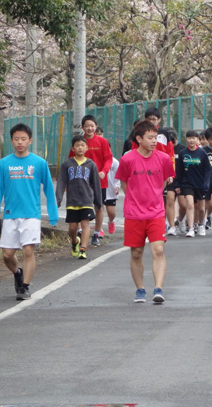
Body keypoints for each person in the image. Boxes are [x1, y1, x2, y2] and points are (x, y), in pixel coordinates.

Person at [0, 123, 58, 300]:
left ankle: (25, 287)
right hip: (11, 214)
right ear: (11, 141)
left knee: (28, 251)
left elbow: (49, 190)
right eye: (16, 139)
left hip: (31, 215)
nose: (20, 142)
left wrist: (53, 215)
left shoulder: (39, 163)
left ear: (30, 141)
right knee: (7, 255)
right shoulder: (4, 164)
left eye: (23, 139)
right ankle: (17, 272)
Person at [115, 120, 175, 303]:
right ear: (139, 139)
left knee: (158, 250)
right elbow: (123, 182)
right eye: (150, 138)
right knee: (136, 253)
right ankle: (140, 289)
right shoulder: (127, 159)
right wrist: (134, 198)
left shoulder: (164, 159)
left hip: (156, 212)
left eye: (156, 138)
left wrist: (155, 196)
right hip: (134, 214)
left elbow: (165, 181)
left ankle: (158, 288)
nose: (154, 141)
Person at [55, 135, 103, 260]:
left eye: (82, 145)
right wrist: (58, 199)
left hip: (87, 200)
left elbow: (96, 183)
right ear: (73, 148)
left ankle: (83, 249)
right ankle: (74, 241)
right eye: (77, 145)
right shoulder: (67, 164)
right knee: (73, 227)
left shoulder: (91, 164)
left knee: (85, 224)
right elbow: (61, 182)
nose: (80, 148)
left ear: (87, 147)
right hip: (72, 200)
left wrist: (98, 201)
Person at [69, 115, 113, 246]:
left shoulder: (102, 142)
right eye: (87, 126)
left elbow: (108, 159)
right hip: (81, 182)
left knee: (99, 207)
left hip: (100, 181)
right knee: (79, 206)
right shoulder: (78, 142)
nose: (89, 128)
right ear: (82, 127)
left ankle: (96, 233)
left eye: (92, 126)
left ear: (96, 126)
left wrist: (103, 172)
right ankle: (79, 233)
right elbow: (70, 162)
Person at [174, 130, 212, 237]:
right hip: (187, 184)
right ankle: (191, 228)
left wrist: (206, 183)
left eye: (194, 138)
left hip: (200, 184)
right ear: (186, 139)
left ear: (197, 140)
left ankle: (201, 225)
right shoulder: (182, 153)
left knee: (200, 208)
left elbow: (208, 169)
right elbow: (179, 170)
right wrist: (177, 184)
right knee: (189, 205)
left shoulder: (202, 153)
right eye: (189, 138)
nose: (191, 140)